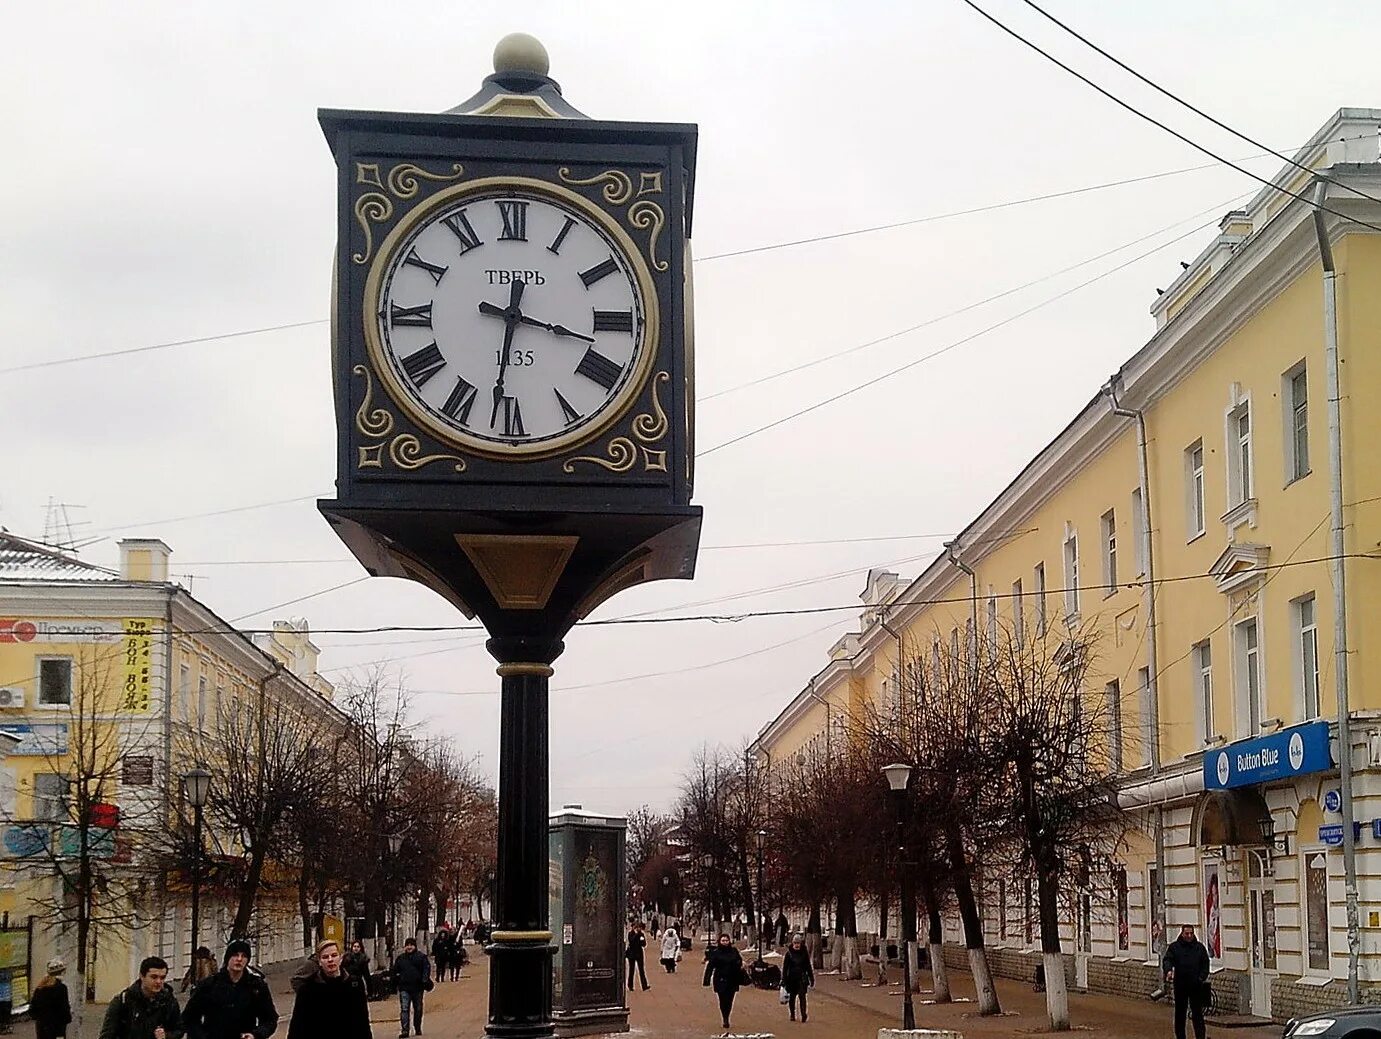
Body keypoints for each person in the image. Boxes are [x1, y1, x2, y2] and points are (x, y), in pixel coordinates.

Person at [183, 940, 278, 1039]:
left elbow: (270, 1019)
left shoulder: (256, 986)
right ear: (228, 958)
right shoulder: (210, 985)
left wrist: (256, 1035)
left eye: (244, 956)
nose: (239, 959)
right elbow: (189, 1018)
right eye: (235, 955)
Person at [287, 940, 370, 1039]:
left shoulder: (354, 985)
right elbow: (297, 1026)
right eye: (325, 957)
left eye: (334, 955)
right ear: (319, 962)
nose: (330, 960)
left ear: (341, 958)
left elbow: (363, 1022)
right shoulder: (308, 989)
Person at [98, 956, 183, 1039]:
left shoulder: (169, 1001)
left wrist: (166, 1035)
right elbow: (107, 1035)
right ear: (142, 976)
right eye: (154, 977)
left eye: (162, 978)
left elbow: (179, 1030)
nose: (158, 981)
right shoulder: (123, 1001)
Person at [1161, 924, 1211, 1039]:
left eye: (1191, 933)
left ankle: (1200, 1036)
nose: (1189, 936)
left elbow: (1205, 964)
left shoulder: (1199, 948)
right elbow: (1167, 960)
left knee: (1197, 1014)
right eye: (1186, 933)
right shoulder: (1175, 947)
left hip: (1196, 985)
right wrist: (1168, 971)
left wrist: (1201, 978)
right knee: (1180, 1014)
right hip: (1180, 985)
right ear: (1182, 933)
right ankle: (1180, 1037)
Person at [702, 933, 745, 1031]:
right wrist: (706, 980)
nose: (725, 942)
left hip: (732, 979)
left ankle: (727, 1015)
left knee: (730, 1000)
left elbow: (739, 960)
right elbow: (710, 966)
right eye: (723, 941)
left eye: (726, 940)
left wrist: (740, 965)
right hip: (720, 979)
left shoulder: (734, 951)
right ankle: (724, 1017)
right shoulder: (716, 952)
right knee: (722, 1000)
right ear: (719, 942)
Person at [392, 936, 432, 1038]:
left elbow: (426, 970)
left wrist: (424, 980)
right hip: (404, 988)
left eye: (411, 945)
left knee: (418, 1008)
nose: (409, 947)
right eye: (407, 945)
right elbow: (395, 971)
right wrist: (395, 982)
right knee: (404, 1009)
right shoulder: (400, 958)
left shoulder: (421, 957)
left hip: (417, 988)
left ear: (415, 946)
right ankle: (405, 1030)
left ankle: (417, 1027)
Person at [29, 959, 72, 1039]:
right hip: (58, 1028)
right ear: (61, 972)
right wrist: (67, 1019)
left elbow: (32, 1010)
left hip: (41, 1027)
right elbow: (64, 1009)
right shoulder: (61, 988)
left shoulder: (40, 988)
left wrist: (40, 1018)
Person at [782, 933, 814, 1023]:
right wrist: (784, 979)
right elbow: (785, 968)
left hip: (802, 978)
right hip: (791, 979)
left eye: (798, 943)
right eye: (795, 943)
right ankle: (792, 1014)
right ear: (792, 943)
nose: (796, 945)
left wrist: (811, 978)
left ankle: (804, 1014)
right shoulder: (788, 954)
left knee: (802, 997)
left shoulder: (804, 953)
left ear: (801, 944)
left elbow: (808, 966)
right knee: (792, 998)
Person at [625, 922, 649, 991]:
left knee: (641, 970)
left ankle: (644, 985)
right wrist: (637, 935)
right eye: (636, 927)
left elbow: (644, 944)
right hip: (632, 954)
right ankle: (630, 985)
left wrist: (641, 938)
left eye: (639, 927)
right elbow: (631, 941)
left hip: (639, 954)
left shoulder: (641, 934)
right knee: (631, 970)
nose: (638, 929)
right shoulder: (630, 933)